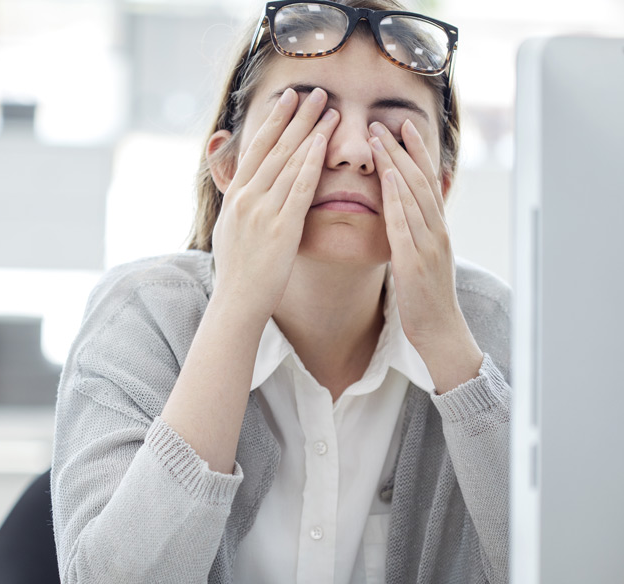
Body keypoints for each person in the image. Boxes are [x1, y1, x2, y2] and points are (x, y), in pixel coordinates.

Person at [50, 1, 512, 582]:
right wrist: (237, 309)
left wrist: (447, 344)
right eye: (308, 116)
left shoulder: (494, 325)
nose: (353, 151)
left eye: (392, 128)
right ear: (229, 165)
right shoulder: (143, 313)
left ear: (440, 185)